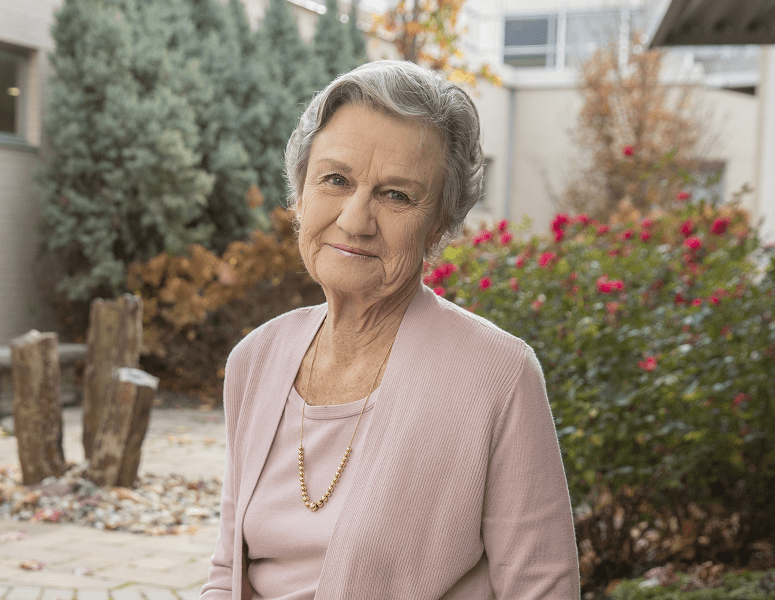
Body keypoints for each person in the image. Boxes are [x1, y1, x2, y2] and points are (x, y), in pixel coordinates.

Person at [200, 60, 580, 600]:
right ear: (300, 194)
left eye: (396, 195)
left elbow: (543, 590)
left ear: (441, 224)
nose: (355, 219)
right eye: (335, 179)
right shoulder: (255, 360)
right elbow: (226, 573)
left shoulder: (498, 376)